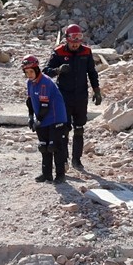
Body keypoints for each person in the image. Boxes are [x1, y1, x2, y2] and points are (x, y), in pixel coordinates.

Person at [44, 24, 101, 172]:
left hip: (81, 96)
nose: (76, 43)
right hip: (63, 96)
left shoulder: (86, 52)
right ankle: (64, 160)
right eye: (73, 40)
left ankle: (77, 159)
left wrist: (97, 91)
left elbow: (92, 72)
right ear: (67, 39)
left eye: (78, 40)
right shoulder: (58, 52)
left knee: (79, 129)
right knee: (64, 129)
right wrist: (58, 70)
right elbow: (45, 72)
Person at [23, 55, 70, 184]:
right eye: (27, 72)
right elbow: (30, 101)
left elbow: (45, 105)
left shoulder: (45, 83)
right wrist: (30, 117)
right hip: (42, 118)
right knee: (43, 146)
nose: (29, 75)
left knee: (54, 147)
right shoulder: (30, 83)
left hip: (55, 118)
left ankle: (60, 175)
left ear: (37, 69)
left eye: (31, 71)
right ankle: (46, 174)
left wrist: (38, 120)